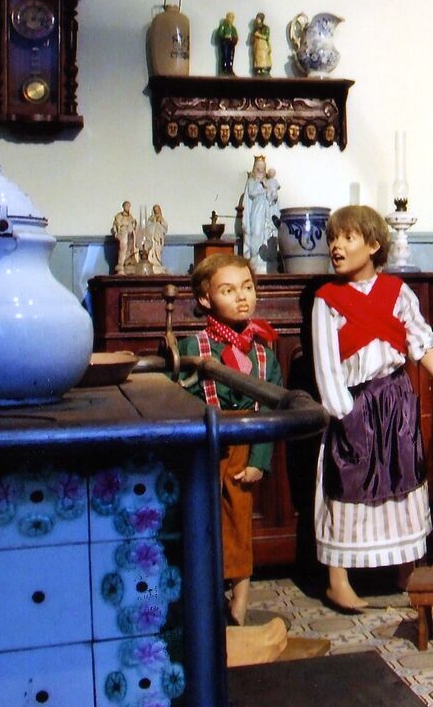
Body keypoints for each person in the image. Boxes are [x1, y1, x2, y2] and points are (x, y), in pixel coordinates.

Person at [311, 205, 433, 611]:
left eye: (347, 237)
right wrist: (345, 413)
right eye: (333, 238)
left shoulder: (398, 293)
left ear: (373, 245)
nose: (336, 246)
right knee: (347, 485)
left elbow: (422, 345)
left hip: (395, 403)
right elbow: (326, 365)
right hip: (353, 404)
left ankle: (405, 568)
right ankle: (337, 579)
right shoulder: (327, 301)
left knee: (403, 481)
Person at [176, 253, 281, 626]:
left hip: (243, 448)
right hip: (205, 447)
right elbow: (179, 400)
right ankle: (204, 598)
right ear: (205, 299)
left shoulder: (265, 355)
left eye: (247, 287)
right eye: (228, 290)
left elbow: (270, 412)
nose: (241, 297)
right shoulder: (194, 348)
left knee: (239, 522)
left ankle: (239, 604)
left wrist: (259, 460)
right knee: (200, 520)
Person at [242, 155, 279, 273]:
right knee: (256, 232)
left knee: (267, 233)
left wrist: (272, 194)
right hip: (257, 210)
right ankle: (253, 259)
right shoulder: (251, 181)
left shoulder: (268, 181)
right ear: (255, 167)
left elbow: (273, 195)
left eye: (263, 166)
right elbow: (252, 193)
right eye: (259, 166)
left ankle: (267, 261)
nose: (261, 169)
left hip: (267, 209)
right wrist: (263, 189)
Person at [112, 200, 138, 273]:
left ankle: (129, 260)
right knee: (123, 247)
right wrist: (117, 232)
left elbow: (133, 224)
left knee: (131, 247)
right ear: (123, 207)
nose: (128, 208)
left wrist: (134, 224)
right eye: (127, 206)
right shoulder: (119, 215)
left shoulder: (130, 216)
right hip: (123, 233)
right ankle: (121, 263)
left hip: (130, 234)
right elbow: (116, 225)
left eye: (129, 206)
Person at [251, 12, 271, 77]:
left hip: (263, 45)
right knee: (257, 58)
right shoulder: (255, 28)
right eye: (257, 18)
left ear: (261, 19)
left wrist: (259, 35)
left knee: (263, 57)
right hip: (257, 45)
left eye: (258, 18)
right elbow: (252, 38)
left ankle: (264, 69)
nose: (257, 19)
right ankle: (258, 69)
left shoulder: (266, 28)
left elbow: (267, 37)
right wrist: (254, 37)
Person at [148, 204, 168, 268]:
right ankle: (153, 262)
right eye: (155, 210)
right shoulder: (151, 219)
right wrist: (155, 222)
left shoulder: (162, 219)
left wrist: (160, 223)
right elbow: (148, 227)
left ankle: (158, 261)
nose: (157, 211)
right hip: (152, 237)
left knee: (158, 250)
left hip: (159, 238)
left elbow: (165, 227)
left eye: (158, 210)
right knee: (152, 250)